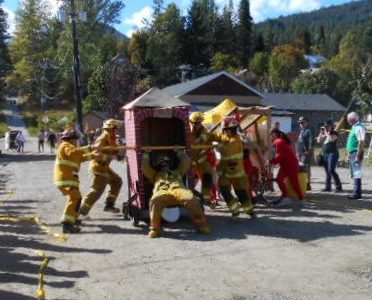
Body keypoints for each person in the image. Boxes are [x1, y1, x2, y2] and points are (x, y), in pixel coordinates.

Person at [142, 149, 210, 238]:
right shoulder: (155, 174)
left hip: (179, 190)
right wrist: (146, 154)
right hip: (163, 192)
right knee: (155, 200)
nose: (164, 165)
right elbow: (145, 167)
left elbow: (185, 162)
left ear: (170, 165)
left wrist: (179, 151)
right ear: (158, 166)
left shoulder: (178, 171)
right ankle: (155, 229)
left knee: (191, 199)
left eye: (166, 163)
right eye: (162, 164)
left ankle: (201, 226)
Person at [54, 128, 99, 233]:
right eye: (76, 140)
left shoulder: (69, 147)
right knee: (75, 198)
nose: (77, 142)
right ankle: (66, 224)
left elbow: (79, 157)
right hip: (65, 180)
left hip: (68, 179)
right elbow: (74, 153)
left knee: (76, 198)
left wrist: (93, 155)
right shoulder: (66, 146)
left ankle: (72, 219)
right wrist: (91, 147)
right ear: (71, 139)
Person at [79, 119, 123, 216]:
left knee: (117, 181)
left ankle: (109, 205)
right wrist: (111, 156)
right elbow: (96, 154)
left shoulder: (112, 139)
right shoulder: (103, 138)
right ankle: (82, 212)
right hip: (98, 167)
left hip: (104, 167)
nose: (118, 130)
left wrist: (120, 152)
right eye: (116, 129)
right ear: (111, 129)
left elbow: (116, 154)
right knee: (97, 190)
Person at [214, 116, 255, 218]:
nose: (224, 132)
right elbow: (218, 137)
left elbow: (225, 150)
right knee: (224, 192)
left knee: (241, 194)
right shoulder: (225, 137)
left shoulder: (236, 141)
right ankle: (235, 210)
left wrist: (216, 146)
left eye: (226, 130)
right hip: (225, 173)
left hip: (237, 174)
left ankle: (250, 212)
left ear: (231, 130)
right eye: (224, 130)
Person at [269, 128, 305, 208]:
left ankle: (301, 199)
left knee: (294, 183)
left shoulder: (278, 141)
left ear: (274, 134)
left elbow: (279, 156)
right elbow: (280, 155)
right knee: (279, 179)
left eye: (270, 135)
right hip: (286, 165)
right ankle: (286, 197)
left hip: (291, 165)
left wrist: (271, 161)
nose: (270, 137)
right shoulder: (279, 141)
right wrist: (273, 161)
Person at [189, 112, 216, 207]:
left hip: (201, 159)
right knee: (188, 180)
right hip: (190, 160)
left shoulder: (205, 131)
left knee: (208, 175)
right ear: (191, 122)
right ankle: (193, 197)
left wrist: (212, 154)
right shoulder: (186, 132)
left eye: (200, 123)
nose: (198, 125)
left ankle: (206, 198)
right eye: (196, 123)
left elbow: (210, 142)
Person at [317, 120, 342, 192]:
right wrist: (321, 132)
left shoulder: (334, 133)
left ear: (331, 126)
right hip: (325, 154)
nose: (326, 127)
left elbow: (331, 139)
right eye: (325, 126)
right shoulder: (325, 133)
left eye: (327, 126)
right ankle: (328, 187)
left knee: (331, 170)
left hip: (333, 153)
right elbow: (319, 140)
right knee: (327, 171)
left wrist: (326, 132)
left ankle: (338, 186)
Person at [346, 112, 366, 199]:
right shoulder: (354, 127)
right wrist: (349, 153)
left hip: (356, 153)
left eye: (348, 119)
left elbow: (361, 142)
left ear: (352, 119)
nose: (347, 121)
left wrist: (358, 155)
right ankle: (356, 192)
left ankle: (357, 193)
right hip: (352, 153)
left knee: (357, 173)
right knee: (354, 173)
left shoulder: (358, 128)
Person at [297, 116, 313, 190]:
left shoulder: (308, 131)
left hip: (306, 153)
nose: (301, 124)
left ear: (306, 123)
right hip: (300, 153)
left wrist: (309, 151)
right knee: (302, 168)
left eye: (302, 122)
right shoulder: (301, 131)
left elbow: (311, 141)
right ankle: (304, 183)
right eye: (300, 123)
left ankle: (308, 183)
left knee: (306, 168)